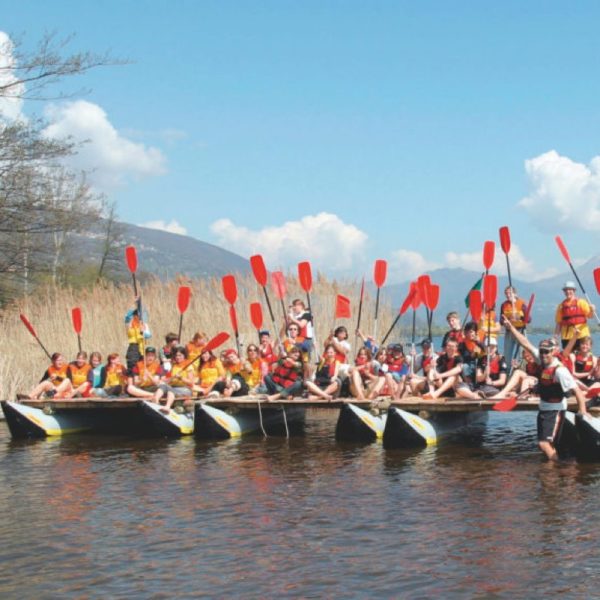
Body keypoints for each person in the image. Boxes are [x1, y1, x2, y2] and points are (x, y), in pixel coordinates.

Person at [501, 318, 589, 460]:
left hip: (555, 410)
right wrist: (511, 328)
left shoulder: (560, 371)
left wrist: (583, 412)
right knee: (545, 444)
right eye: (542, 351)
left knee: (544, 444)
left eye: (547, 352)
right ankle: (556, 469)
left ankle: (553, 473)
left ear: (553, 352)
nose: (543, 354)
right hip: (543, 409)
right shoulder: (540, 359)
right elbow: (525, 343)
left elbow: (577, 391)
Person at [554, 281, 595, 350]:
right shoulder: (561, 306)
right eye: (566, 290)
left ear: (574, 290)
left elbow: (590, 316)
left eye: (570, 289)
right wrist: (555, 337)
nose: (567, 291)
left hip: (582, 335)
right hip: (567, 337)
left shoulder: (581, 302)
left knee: (583, 356)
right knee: (568, 358)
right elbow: (559, 323)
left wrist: (592, 310)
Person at [158, 346, 196, 413]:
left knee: (170, 390)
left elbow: (191, 382)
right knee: (163, 387)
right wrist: (167, 379)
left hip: (185, 389)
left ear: (184, 356)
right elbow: (167, 380)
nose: (177, 357)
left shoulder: (189, 366)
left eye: (180, 355)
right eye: (176, 355)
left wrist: (181, 378)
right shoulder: (174, 365)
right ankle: (156, 404)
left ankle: (168, 407)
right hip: (173, 388)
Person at [500, 286, 528, 368]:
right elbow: (501, 320)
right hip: (509, 331)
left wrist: (519, 317)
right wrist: (506, 321)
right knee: (507, 354)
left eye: (510, 293)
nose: (508, 295)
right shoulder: (503, 305)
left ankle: (522, 369)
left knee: (521, 353)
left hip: (520, 331)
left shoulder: (521, 303)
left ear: (515, 294)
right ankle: (507, 372)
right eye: (506, 293)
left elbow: (528, 319)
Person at [124, 297, 151, 370]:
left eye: (138, 316)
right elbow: (127, 316)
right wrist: (134, 303)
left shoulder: (144, 324)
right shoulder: (129, 324)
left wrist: (143, 332)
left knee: (141, 366)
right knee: (132, 365)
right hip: (133, 347)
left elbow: (148, 335)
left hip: (142, 347)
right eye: (135, 316)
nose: (137, 317)